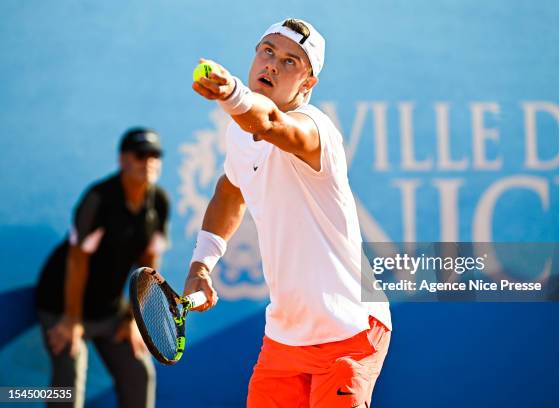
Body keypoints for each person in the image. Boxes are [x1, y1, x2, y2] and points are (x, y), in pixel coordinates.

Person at [185, 18, 392, 407]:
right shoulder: (238, 133)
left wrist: (231, 93)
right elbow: (231, 190)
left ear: (307, 84)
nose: (273, 65)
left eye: (290, 61)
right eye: (267, 51)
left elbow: (269, 122)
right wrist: (202, 263)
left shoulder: (316, 130)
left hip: (349, 331)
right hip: (285, 336)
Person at [35, 128, 170, 408]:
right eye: (140, 154)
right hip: (61, 304)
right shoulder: (98, 199)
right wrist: (72, 319)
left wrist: (134, 320)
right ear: (123, 160)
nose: (148, 161)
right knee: (69, 375)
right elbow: (77, 259)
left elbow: (148, 265)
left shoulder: (159, 202)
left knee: (138, 370)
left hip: (109, 308)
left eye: (155, 155)